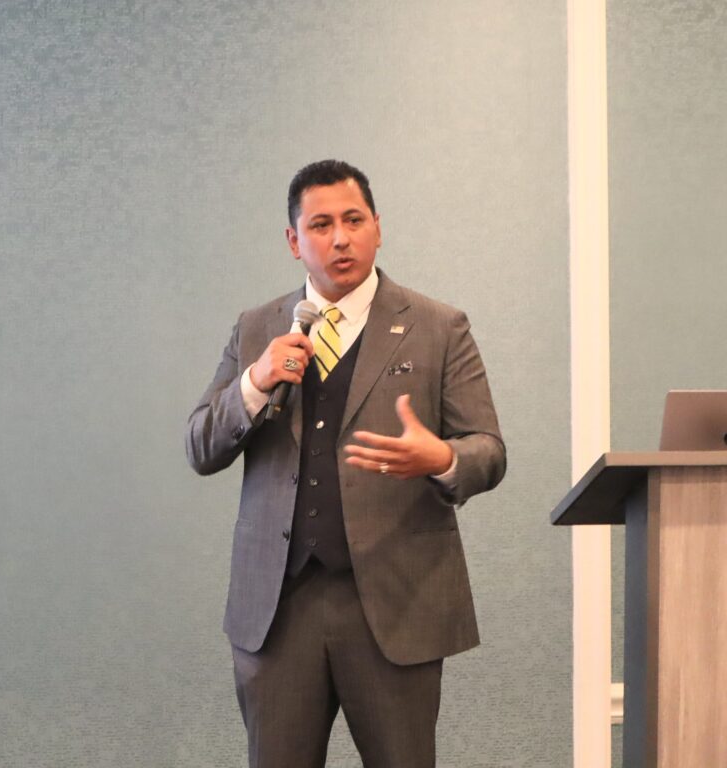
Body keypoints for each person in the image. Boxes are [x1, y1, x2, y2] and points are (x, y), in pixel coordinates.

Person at [185, 159, 506, 767]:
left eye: (354, 220)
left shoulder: (439, 327)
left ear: (378, 227)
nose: (340, 238)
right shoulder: (256, 329)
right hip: (278, 611)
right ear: (294, 241)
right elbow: (200, 446)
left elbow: (488, 450)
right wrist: (254, 382)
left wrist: (442, 458)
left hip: (395, 602)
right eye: (321, 225)